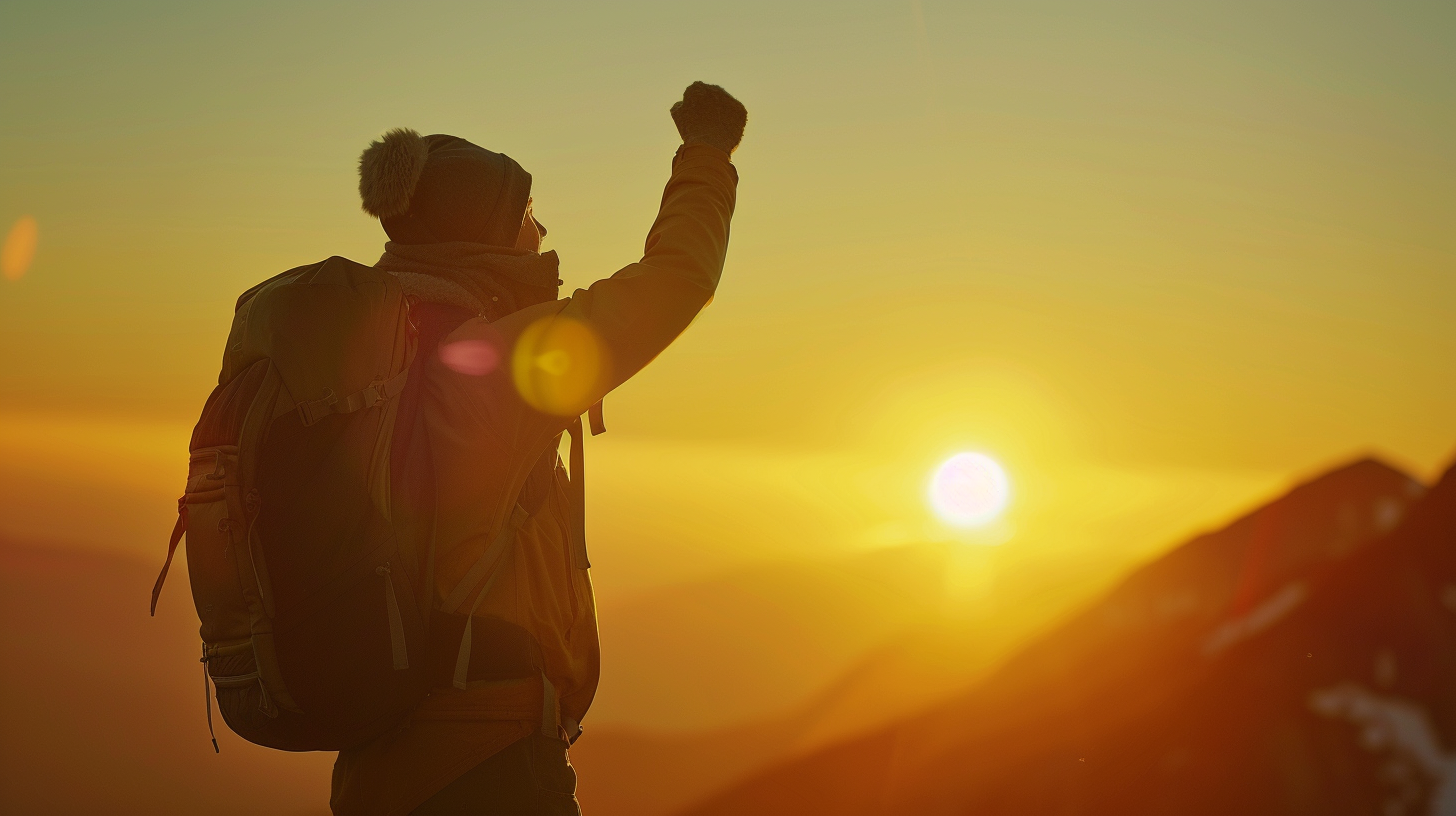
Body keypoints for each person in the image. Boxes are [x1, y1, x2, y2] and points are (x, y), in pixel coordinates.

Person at [328, 82, 747, 816]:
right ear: (480, 237)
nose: (542, 229)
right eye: (524, 214)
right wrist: (707, 154)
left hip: (378, 773)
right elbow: (676, 280)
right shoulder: (491, 368)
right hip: (486, 773)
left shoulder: (375, 364)